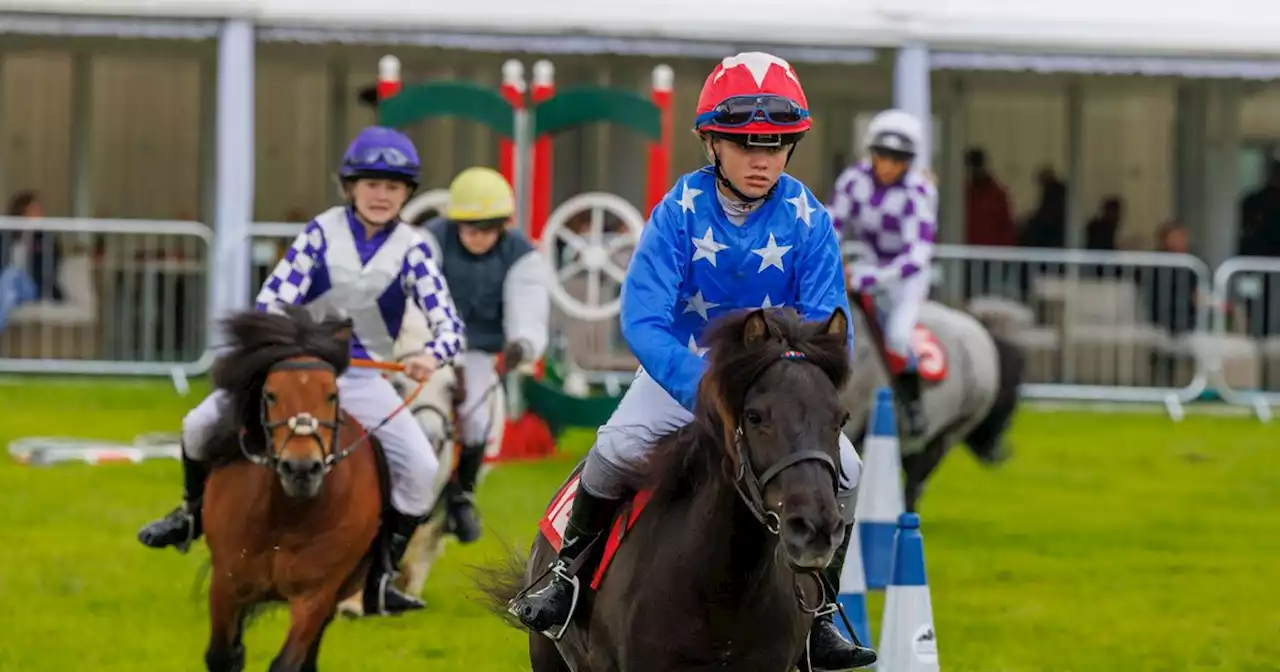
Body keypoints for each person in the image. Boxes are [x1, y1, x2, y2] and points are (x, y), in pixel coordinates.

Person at [508, 52, 875, 671]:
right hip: (686, 375)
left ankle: (816, 618)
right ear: (712, 142)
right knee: (616, 448)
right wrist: (701, 384)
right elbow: (642, 319)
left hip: (773, 386)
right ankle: (564, 580)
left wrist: (794, 384)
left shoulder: (810, 219)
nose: (762, 160)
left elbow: (826, 328)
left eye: (777, 145)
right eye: (745, 145)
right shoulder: (677, 213)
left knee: (851, 468)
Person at [136, 125, 466, 616]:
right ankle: (188, 515)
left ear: (407, 194)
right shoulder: (320, 232)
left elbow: (451, 327)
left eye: (393, 187)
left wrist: (431, 354)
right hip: (297, 371)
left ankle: (378, 580)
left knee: (419, 467)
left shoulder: (415, 248)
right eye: (372, 184)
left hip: (361, 379)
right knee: (198, 424)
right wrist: (299, 349)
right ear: (350, 187)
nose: (382, 195)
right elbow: (271, 301)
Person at [409, 165, 551, 543]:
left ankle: (462, 496)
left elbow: (529, 308)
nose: (478, 237)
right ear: (454, 222)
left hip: (478, 351)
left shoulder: (522, 254)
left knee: (473, 417)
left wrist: (522, 344)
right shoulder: (428, 240)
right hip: (428, 345)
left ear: (503, 225)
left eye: (489, 229)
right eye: (470, 228)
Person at [828, 109, 936, 439]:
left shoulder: (919, 192)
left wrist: (865, 279)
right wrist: (831, 263)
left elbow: (917, 253)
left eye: (898, 159)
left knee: (898, 337)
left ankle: (912, 404)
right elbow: (833, 224)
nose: (888, 165)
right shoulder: (851, 180)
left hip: (904, 279)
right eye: (882, 156)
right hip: (867, 264)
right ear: (871, 153)